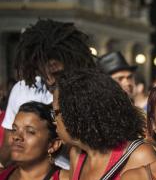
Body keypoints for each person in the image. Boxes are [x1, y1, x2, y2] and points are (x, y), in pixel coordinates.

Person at [0, 19, 95, 167]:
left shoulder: (86, 93)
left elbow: (92, 150)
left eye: (57, 74)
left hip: (71, 177)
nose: (50, 81)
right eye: (44, 73)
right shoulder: (22, 89)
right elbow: (8, 146)